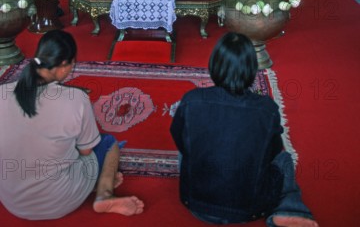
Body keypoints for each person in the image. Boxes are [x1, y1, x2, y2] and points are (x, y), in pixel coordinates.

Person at [170, 32, 319, 227]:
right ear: (251, 68)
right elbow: (273, 151)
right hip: (248, 209)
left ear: (214, 64)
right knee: (284, 159)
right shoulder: (266, 108)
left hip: (197, 205)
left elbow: (178, 137)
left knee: (187, 148)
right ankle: (290, 208)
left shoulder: (191, 100)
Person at [0, 30, 144, 220]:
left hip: (13, 202)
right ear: (62, 66)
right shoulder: (76, 98)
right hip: (59, 200)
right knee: (109, 143)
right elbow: (86, 151)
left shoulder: (2, 92)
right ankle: (104, 194)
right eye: (72, 65)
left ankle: (93, 182)